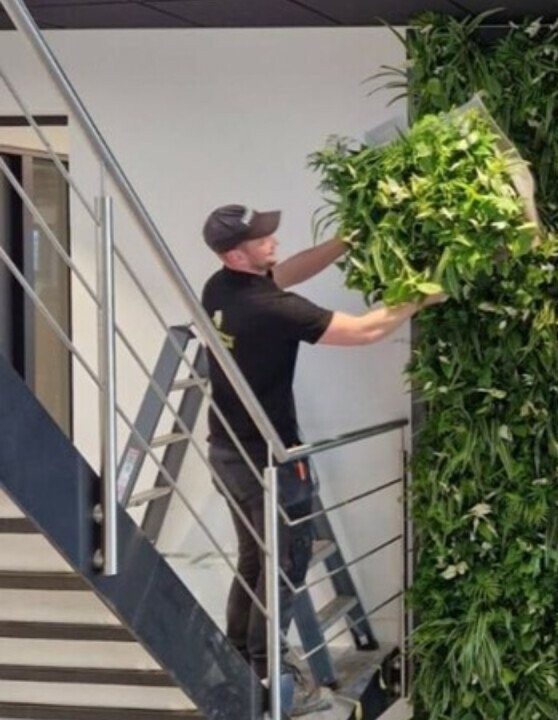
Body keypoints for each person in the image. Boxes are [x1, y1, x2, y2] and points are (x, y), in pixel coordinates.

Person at [200, 204, 441, 715]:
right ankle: (271, 673)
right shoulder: (268, 309)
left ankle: (240, 658)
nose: (273, 239)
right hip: (263, 459)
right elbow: (363, 331)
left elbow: (286, 273)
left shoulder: (220, 287)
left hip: (226, 447)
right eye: (261, 237)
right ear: (235, 253)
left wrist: (346, 240)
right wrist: (420, 294)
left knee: (254, 558)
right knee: (284, 563)